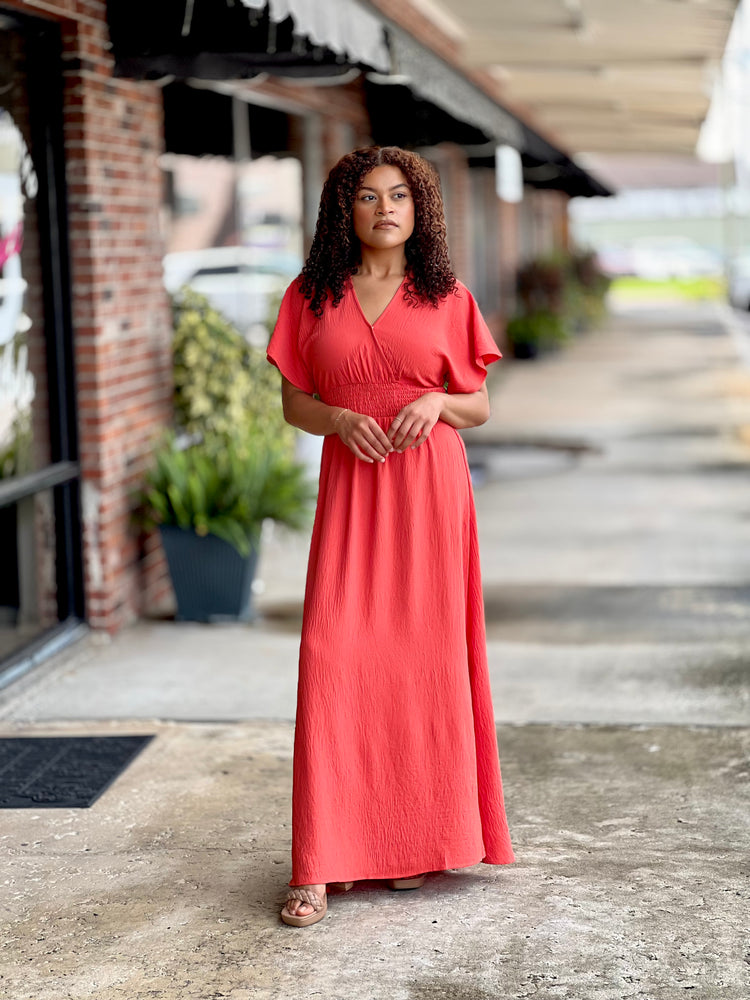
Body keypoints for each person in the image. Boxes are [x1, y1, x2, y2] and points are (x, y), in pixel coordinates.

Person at [267, 145, 515, 928]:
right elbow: (295, 404)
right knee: (332, 656)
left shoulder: (446, 297)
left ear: (420, 209)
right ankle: (318, 862)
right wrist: (340, 418)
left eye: (399, 195)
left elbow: (478, 405)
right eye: (369, 196)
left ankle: (411, 843)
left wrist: (437, 403)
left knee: (420, 666)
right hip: (353, 491)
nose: (385, 208)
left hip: (428, 493)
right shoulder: (311, 296)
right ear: (344, 210)